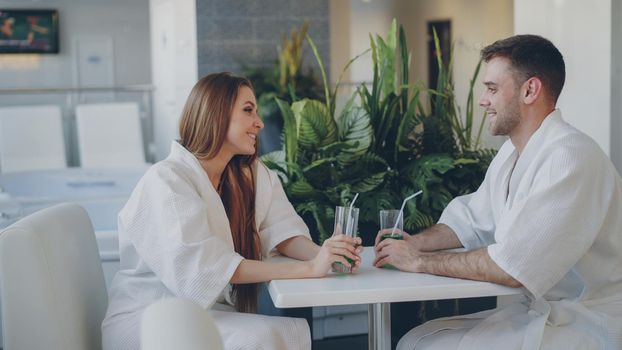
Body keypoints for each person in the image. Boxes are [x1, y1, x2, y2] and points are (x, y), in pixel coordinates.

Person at [375, 35, 622, 349]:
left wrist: (418, 262)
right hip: (539, 312)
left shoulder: (569, 157)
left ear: (529, 90)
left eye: (492, 89)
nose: (482, 100)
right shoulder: (513, 153)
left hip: (588, 319)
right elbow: (470, 220)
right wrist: (415, 242)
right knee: (416, 339)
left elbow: (512, 267)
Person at [101, 72, 363, 350]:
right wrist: (310, 268)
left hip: (202, 315)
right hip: (152, 318)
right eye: (248, 110)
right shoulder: (167, 181)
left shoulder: (248, 175)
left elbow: (281, 230)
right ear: (216, 114)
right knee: (265, 336)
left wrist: (329, 254)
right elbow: (206, 270)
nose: (260, 123)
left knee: (277, 332)